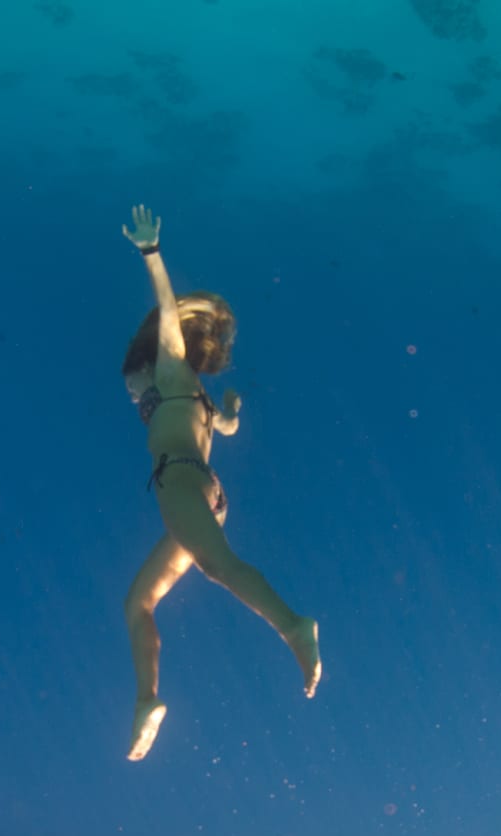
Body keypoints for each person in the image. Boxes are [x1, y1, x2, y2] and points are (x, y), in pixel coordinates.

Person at [118, 204, 320, 762]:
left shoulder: (169, 371)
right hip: (202, 488)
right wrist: (230, 410)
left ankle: (294, 627)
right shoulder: (199, 397)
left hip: (182, 483)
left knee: (218, 568)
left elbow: (165, 312)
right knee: (139, 603)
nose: (135, 392)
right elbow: (226, 426)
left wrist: (151, 253)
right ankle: (146, 701)